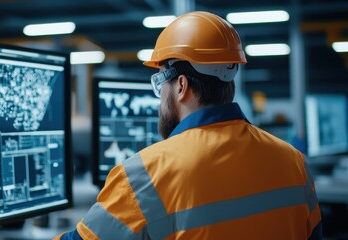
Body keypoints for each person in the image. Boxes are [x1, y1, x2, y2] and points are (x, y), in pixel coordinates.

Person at [54, 11, 322, 240]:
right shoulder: (293, 161)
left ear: (181, 86)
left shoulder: (142, 176)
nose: (160, 99)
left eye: (161, 84)